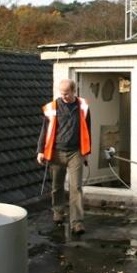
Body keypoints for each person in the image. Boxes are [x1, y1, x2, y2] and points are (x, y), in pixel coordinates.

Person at [37, 79, 91, 234]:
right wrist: (40, 151)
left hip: (76, 152)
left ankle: (77, 223)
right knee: (57, 186)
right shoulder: (52, 108)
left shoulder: (83, 107)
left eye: (67, 93)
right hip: (56, 152)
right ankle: (58, 213)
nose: (64, 96)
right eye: (62, 93)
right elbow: (44, 130)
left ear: (74, 91)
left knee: (76, 188)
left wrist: (86, 152)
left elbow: (88, 130)